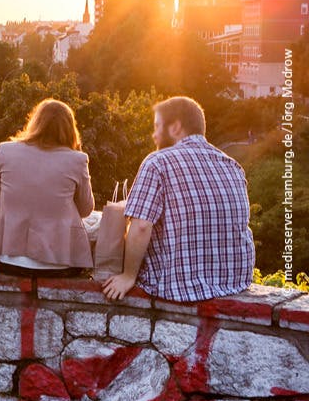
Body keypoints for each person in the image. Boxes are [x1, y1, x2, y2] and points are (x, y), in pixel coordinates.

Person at [103, 96, 254, 302]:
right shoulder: (232, 165)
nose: (154, 135)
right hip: (234, 283)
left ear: (175, 127)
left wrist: (128, 276)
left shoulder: (157, 162)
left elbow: (141, 226)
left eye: (157, 126)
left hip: (177, 287)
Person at [0, 99, 94, 275]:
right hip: (61, 265)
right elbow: (86, 209)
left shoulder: (4, 150)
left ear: (35, 122)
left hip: (8, 261)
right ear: (70, 128)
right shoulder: (78, 160)